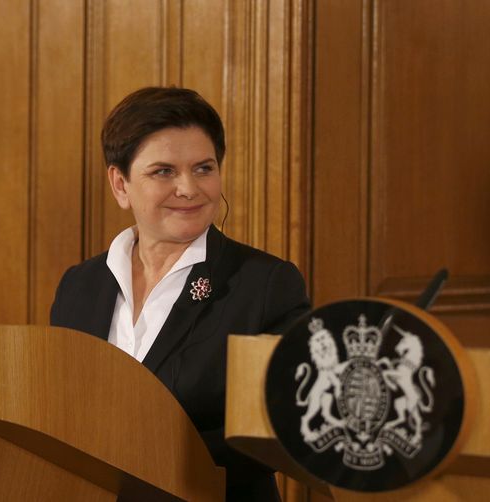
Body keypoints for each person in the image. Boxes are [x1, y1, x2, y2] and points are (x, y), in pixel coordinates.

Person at [50, 87, 310, 500]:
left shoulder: (265, 284)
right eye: (164, 171)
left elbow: (277, 429)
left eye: (204, 168)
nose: (189, 188)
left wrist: (133, 455)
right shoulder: (79, 286)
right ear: (120, 184)